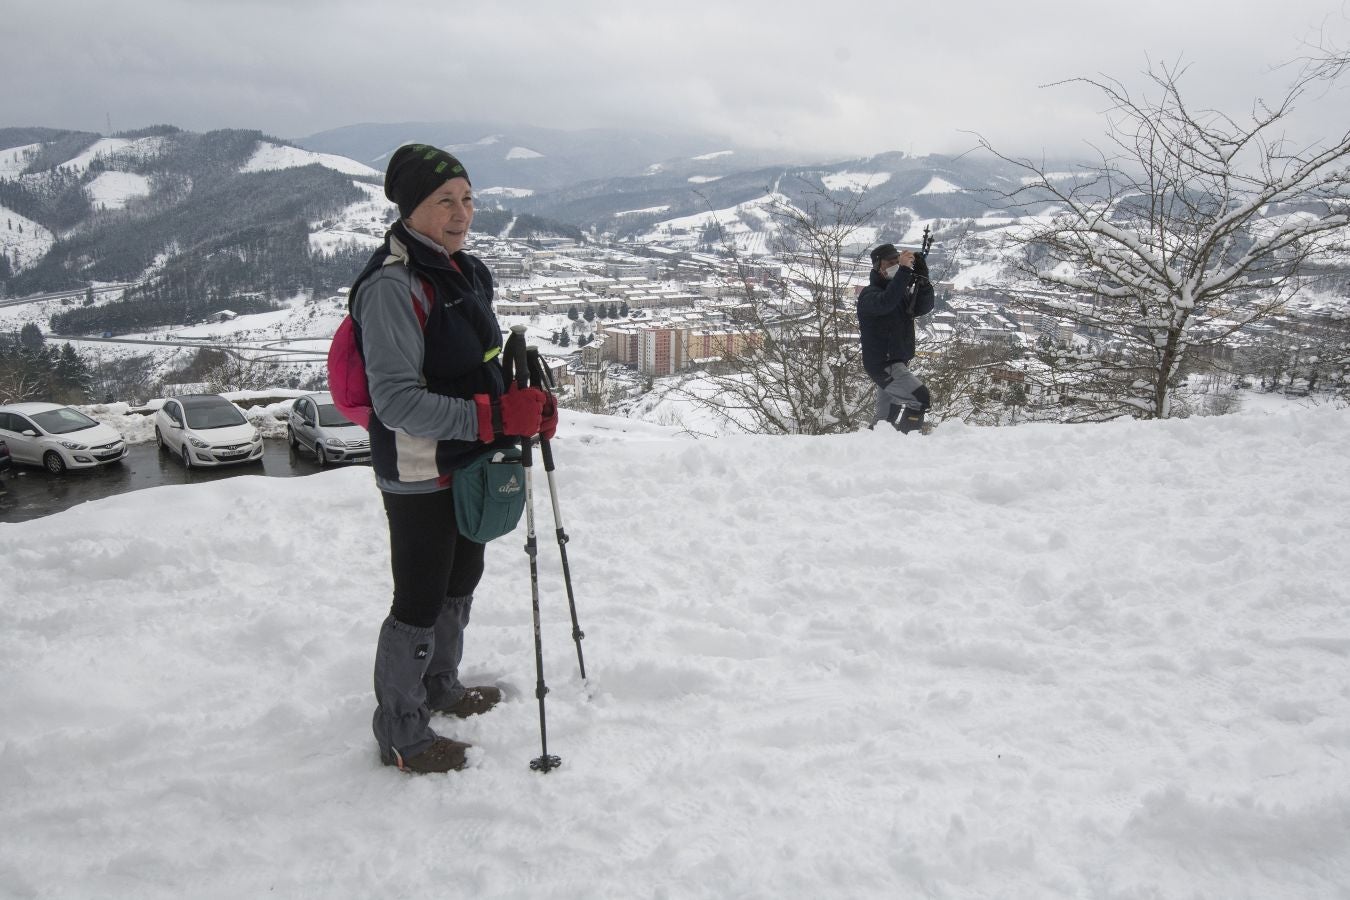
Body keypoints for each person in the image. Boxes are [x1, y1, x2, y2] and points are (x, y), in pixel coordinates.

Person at [350, 143, 554, 774]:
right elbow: (395, 401)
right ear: (412, 208)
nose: (461, 212)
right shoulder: (393, 287)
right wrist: (493, 419)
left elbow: (478, 367)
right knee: (418, 597)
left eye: (467, 199)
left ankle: (439, 686)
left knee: (460, 580)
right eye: (444, 201)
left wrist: (527, 404)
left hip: (470, 462)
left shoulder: (466, 271)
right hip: (417, 471)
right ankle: (402, 733)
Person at [856, 242, 936, 433]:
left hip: (895, 361)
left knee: (886, 415)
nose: (895, 265)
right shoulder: (870, 295)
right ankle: (907, 446)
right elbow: (886, 303)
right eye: (890, 262)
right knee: (919, 398)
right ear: (878, 266)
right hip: (884, 364)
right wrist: (904, 272)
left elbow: (921, 308)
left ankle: (873, 446)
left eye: (897, 261)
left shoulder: (897, 291)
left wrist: (923, 282)